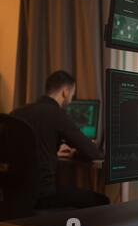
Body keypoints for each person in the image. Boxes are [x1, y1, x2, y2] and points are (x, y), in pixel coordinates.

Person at [11, 70, 109, 209]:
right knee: (102, 200)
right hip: (42, 195)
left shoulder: (17, 112)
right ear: (65, 91)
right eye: (72, 94)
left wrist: (52, 152)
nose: (71, 99)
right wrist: (74, 153)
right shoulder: (56, 114)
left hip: (13, 192)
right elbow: (93, 153)